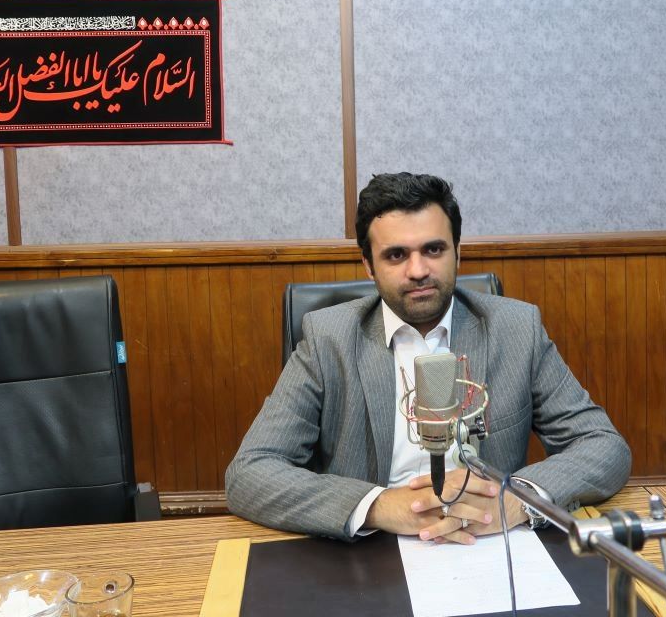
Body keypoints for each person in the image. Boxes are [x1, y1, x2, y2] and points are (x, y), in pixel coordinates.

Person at [226, 172, 630, 543]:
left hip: (489, 541)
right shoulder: (327, 338)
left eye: (433, 249)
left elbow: (602, 445)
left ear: (458, 252)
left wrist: (516, 499)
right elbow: (250, 472)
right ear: (368, 265)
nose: (418, 270)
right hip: (372, 551)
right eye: (396, 255)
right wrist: (379, 506)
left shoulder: (515, 329)